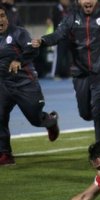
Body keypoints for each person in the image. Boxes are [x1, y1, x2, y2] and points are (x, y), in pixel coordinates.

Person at [31, 0, 100, 142]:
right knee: (85, 114)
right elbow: (58, 35)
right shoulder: (71, 18)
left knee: (98, 108)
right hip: (80, 73)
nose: (88, 1)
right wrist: (43, 41)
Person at [0, 5, 59, 166]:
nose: (1, 20)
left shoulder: (19, 33)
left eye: (2, 16)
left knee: (35, 119)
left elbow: (33, 50)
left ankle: (50, 121)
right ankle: (5, 154)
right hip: (4, 85)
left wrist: (18, 60)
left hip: (25, 84)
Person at [50, 0, 73, 79]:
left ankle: (68, 73)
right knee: (58, 55)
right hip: (59, 36)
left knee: (67, 55)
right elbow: (56, 22)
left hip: (68, 36)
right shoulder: (56, 8)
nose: (68, 1)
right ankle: (55, 74)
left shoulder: (69, 9)